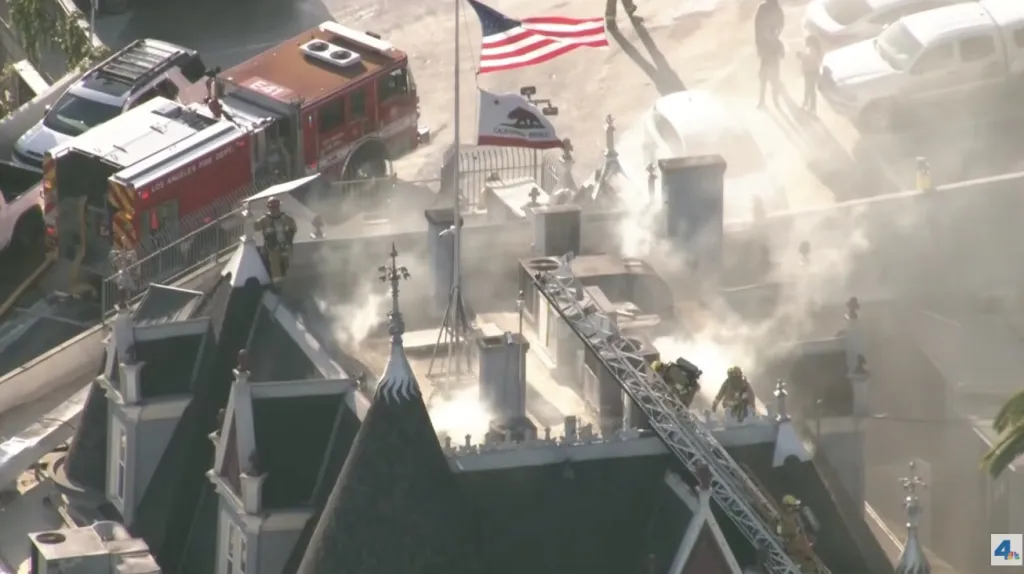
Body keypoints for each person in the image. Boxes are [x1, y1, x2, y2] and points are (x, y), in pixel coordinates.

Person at [255, 197, 297, 281]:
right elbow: (256, 227)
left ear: (279, 207)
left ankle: (287, 282)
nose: (274, 209)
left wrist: (288, 237)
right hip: (272, 248)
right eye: (272, 207)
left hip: (285, 246)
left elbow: (294, 229)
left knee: (287, 266)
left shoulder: (286, 218)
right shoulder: (265, 219)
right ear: (269, 208)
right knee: (275, 268)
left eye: (275, 207)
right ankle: (278, 284)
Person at [758, 36, 785, 109]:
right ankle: (775, 102)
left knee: (763, 86)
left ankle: (762, 102)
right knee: (774, 85)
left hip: (765, 66)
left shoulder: (764, 43)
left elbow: (760, 54)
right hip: (774, 67)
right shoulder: (779, 43)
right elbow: (782, 55)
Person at [799, 35, 824, 114]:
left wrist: (802, 56)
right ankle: (809, 106)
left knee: (810, 89)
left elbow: (812, 59)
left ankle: (810, 106)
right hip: (812, 71)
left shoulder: (813, 50)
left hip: (811, 71)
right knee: (809, 89)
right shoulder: (815, 49)